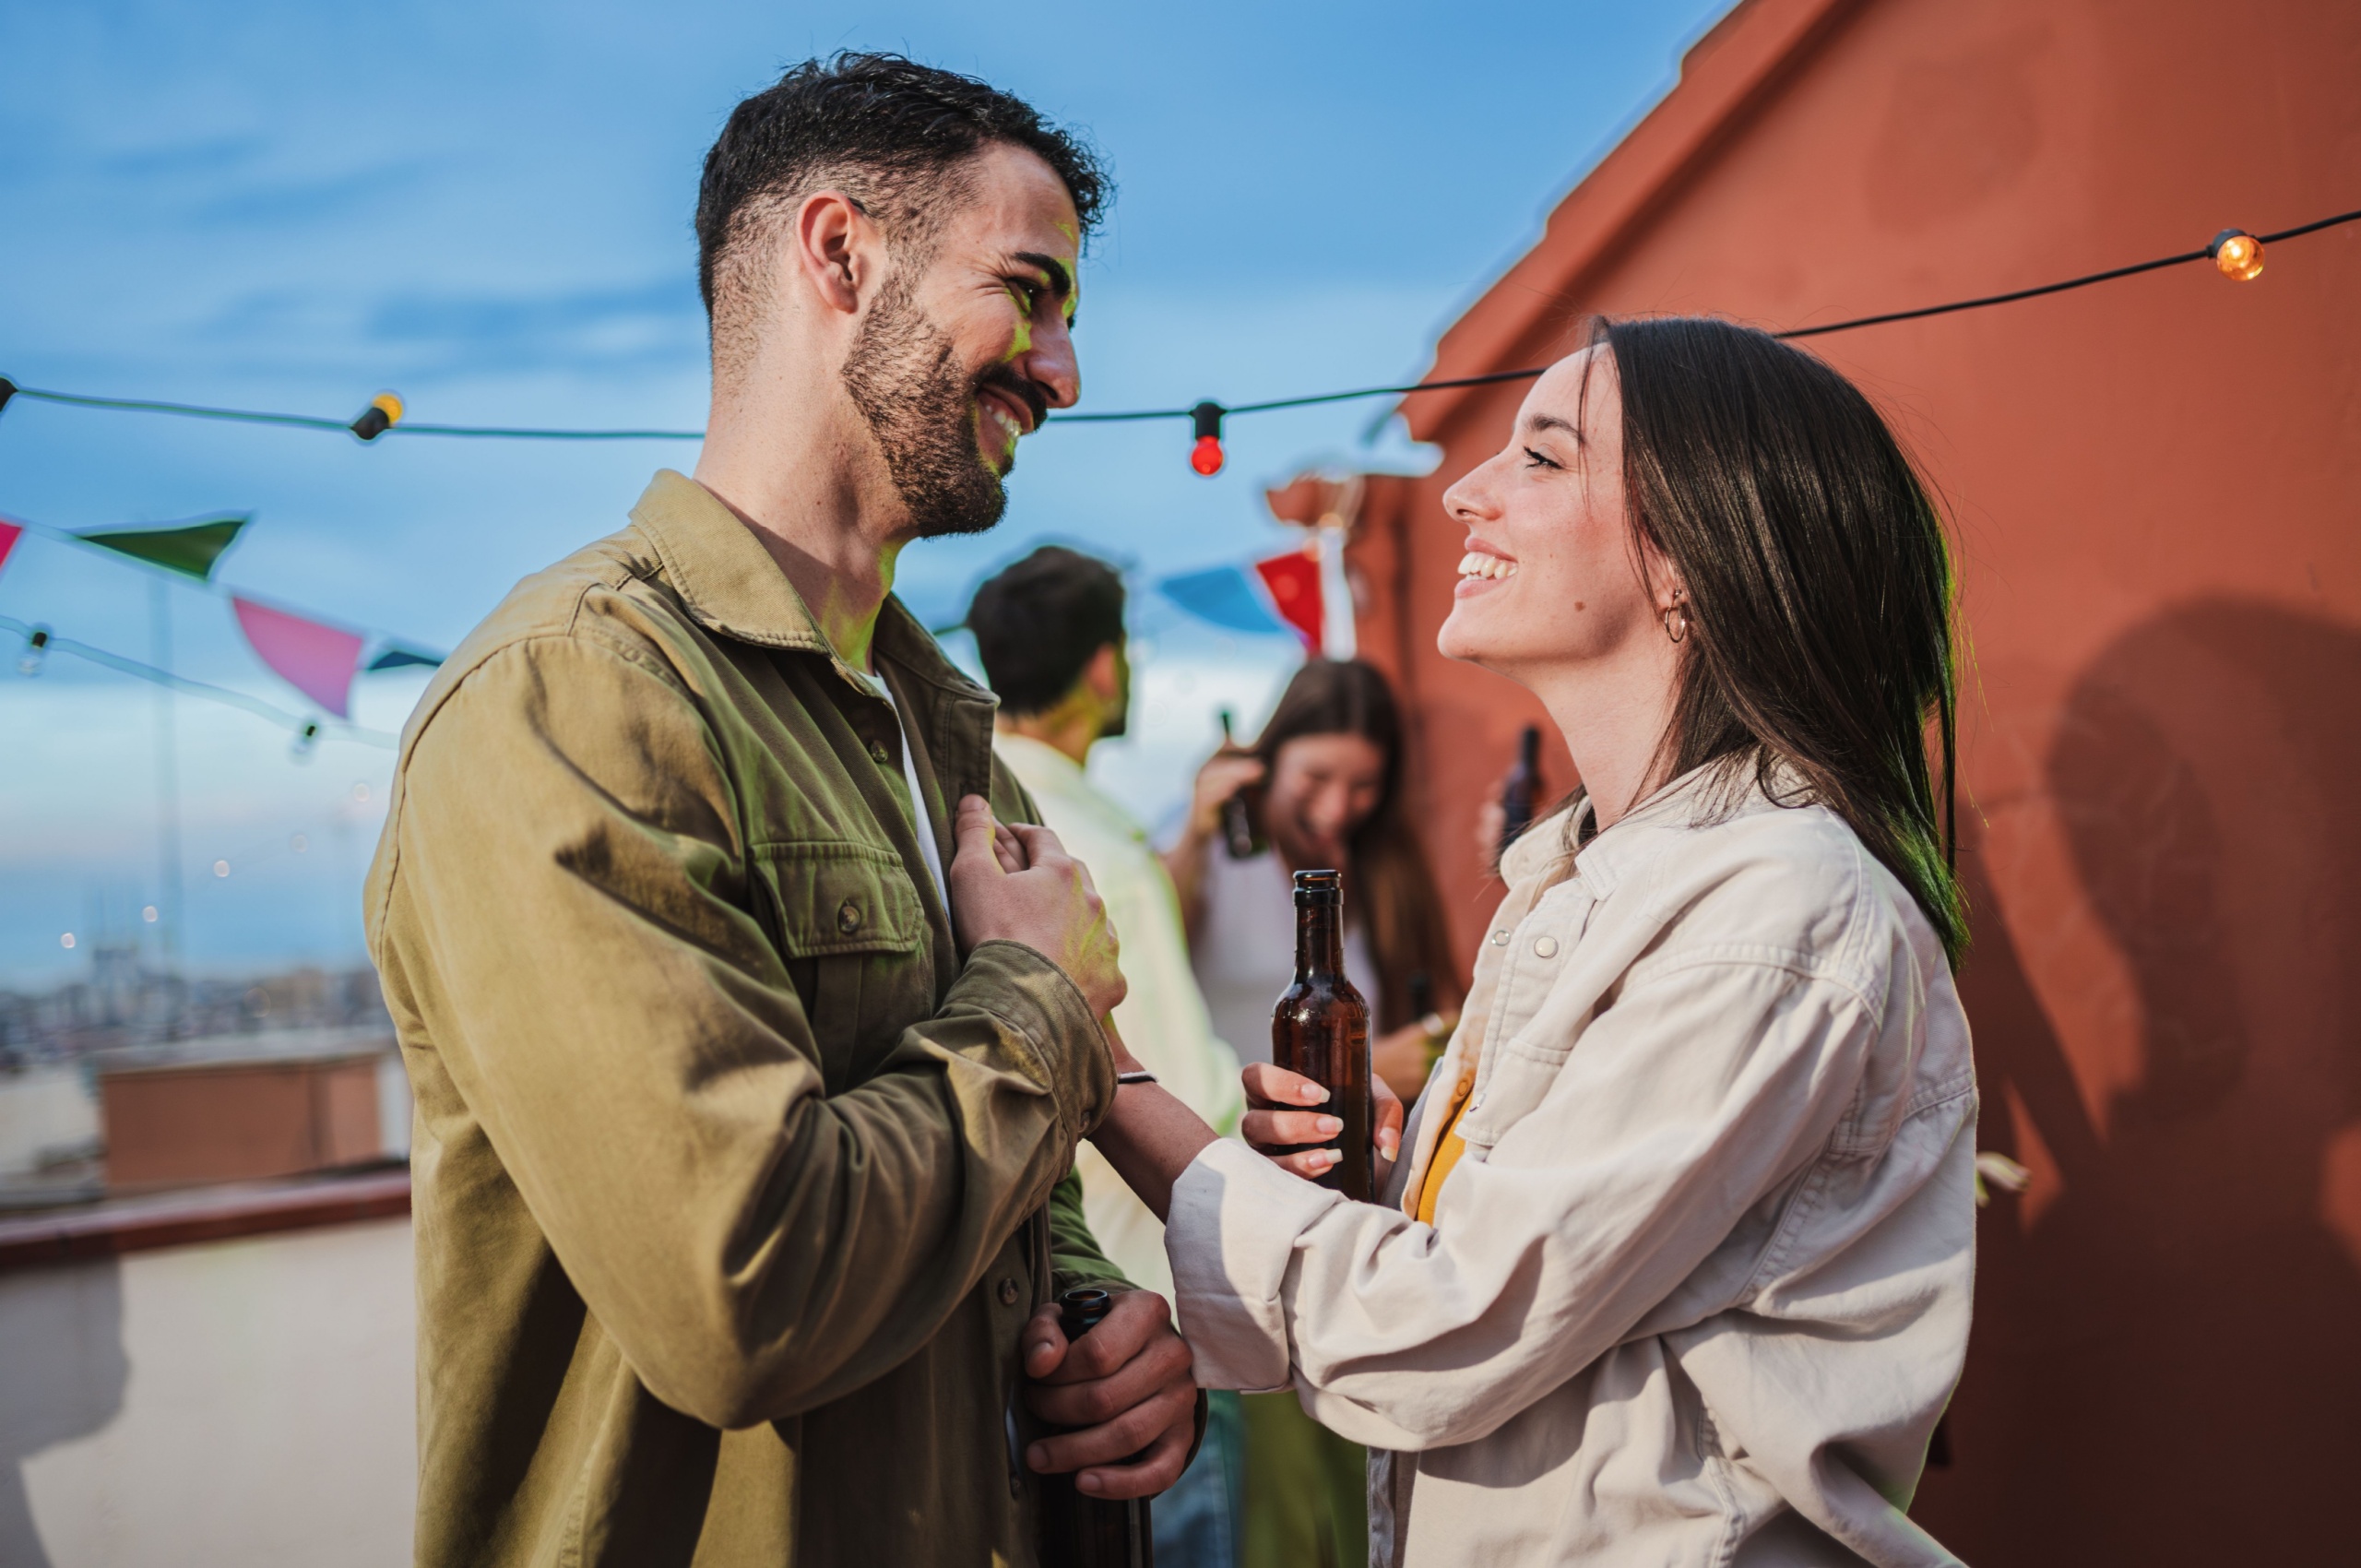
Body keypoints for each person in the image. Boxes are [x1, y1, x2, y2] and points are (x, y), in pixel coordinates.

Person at [364, 54, 1200, 1567]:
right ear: (839, 254)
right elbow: (736, 1290)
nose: (1065, 372)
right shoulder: (569, 696)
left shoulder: (941, 731)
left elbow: (1007, 1186)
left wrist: (1099, 1323)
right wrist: (1036, 999)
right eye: (1030, 293)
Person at [1083, 315, 1977, 1566]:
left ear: (1688, 560)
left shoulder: (1772, 912)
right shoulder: (1581, 877)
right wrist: (1385, 1189)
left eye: (1543, 457)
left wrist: (1096, 1062)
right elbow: (1525, 1287)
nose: (1464, 490)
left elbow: (1441, 1333)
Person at [968, 544, 1249, 1566]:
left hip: (1032, 1305)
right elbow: (1183, 1092)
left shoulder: (985, 831)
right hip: (1145, 1318)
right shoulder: (1099, 857)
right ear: (1102, 665)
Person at [1158, 657, 1461, 1568]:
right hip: (1232, 1195)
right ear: (1268, 758)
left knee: (1360, 1480)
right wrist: (1196, 828)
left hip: (1352, 1203)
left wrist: (1408, 1060)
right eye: (1317, 777)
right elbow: (1144, 954)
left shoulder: (1381, 868)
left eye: (1362, 785)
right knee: (1274, 1504)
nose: (1337, 806)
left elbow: (1436, 1005)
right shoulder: (1219, 853)